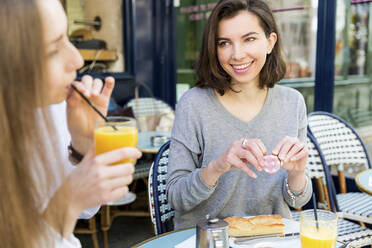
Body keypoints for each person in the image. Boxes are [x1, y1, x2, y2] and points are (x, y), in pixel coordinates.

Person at [0, 0, 141, 247]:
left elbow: (85, 210)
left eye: (67, 38)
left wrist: (82, 147)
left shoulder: (52, 110)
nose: (77, 60)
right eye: (53, 49)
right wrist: (66, 202)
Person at [166, 0, 312, 229]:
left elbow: (298, 200)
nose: (237, 54)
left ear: (270, 42)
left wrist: (297, 173)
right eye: (224, 43)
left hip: (269, 240)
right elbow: (176, 198)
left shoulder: (292, 103)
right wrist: (217, 166)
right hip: (209, 240)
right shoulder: (193, 104)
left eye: (249, 39)